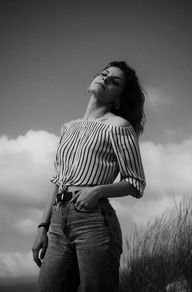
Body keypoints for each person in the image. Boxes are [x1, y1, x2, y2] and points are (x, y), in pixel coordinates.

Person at [32, 60, 146, 292]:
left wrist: (98, 190)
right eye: (103, 74)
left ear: (119, 98)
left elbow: (136, 183)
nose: (105, 79)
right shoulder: (68, 127)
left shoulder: (118, 126)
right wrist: (43, 227)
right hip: (57, 221)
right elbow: (59, 179)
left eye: (114, 81)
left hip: (94, 220)